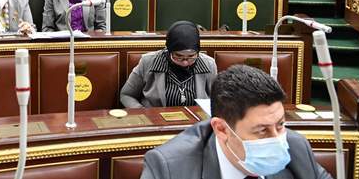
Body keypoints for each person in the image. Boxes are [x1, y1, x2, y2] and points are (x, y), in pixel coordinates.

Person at [140, 64, 331, 179]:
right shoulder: (169, 169)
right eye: (262, 131)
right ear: (221, 129)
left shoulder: (297, 149)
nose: (278, 140)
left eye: (280, 125)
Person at [120, 20, 216, 107]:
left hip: (197, 120)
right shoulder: (148, 62)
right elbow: (126, 95)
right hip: (156, 119)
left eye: (191, 56)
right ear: (169, 50)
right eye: (178, 56)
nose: (185, 62)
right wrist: (143, 112)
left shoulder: (208, 64)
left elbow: (217, 99)